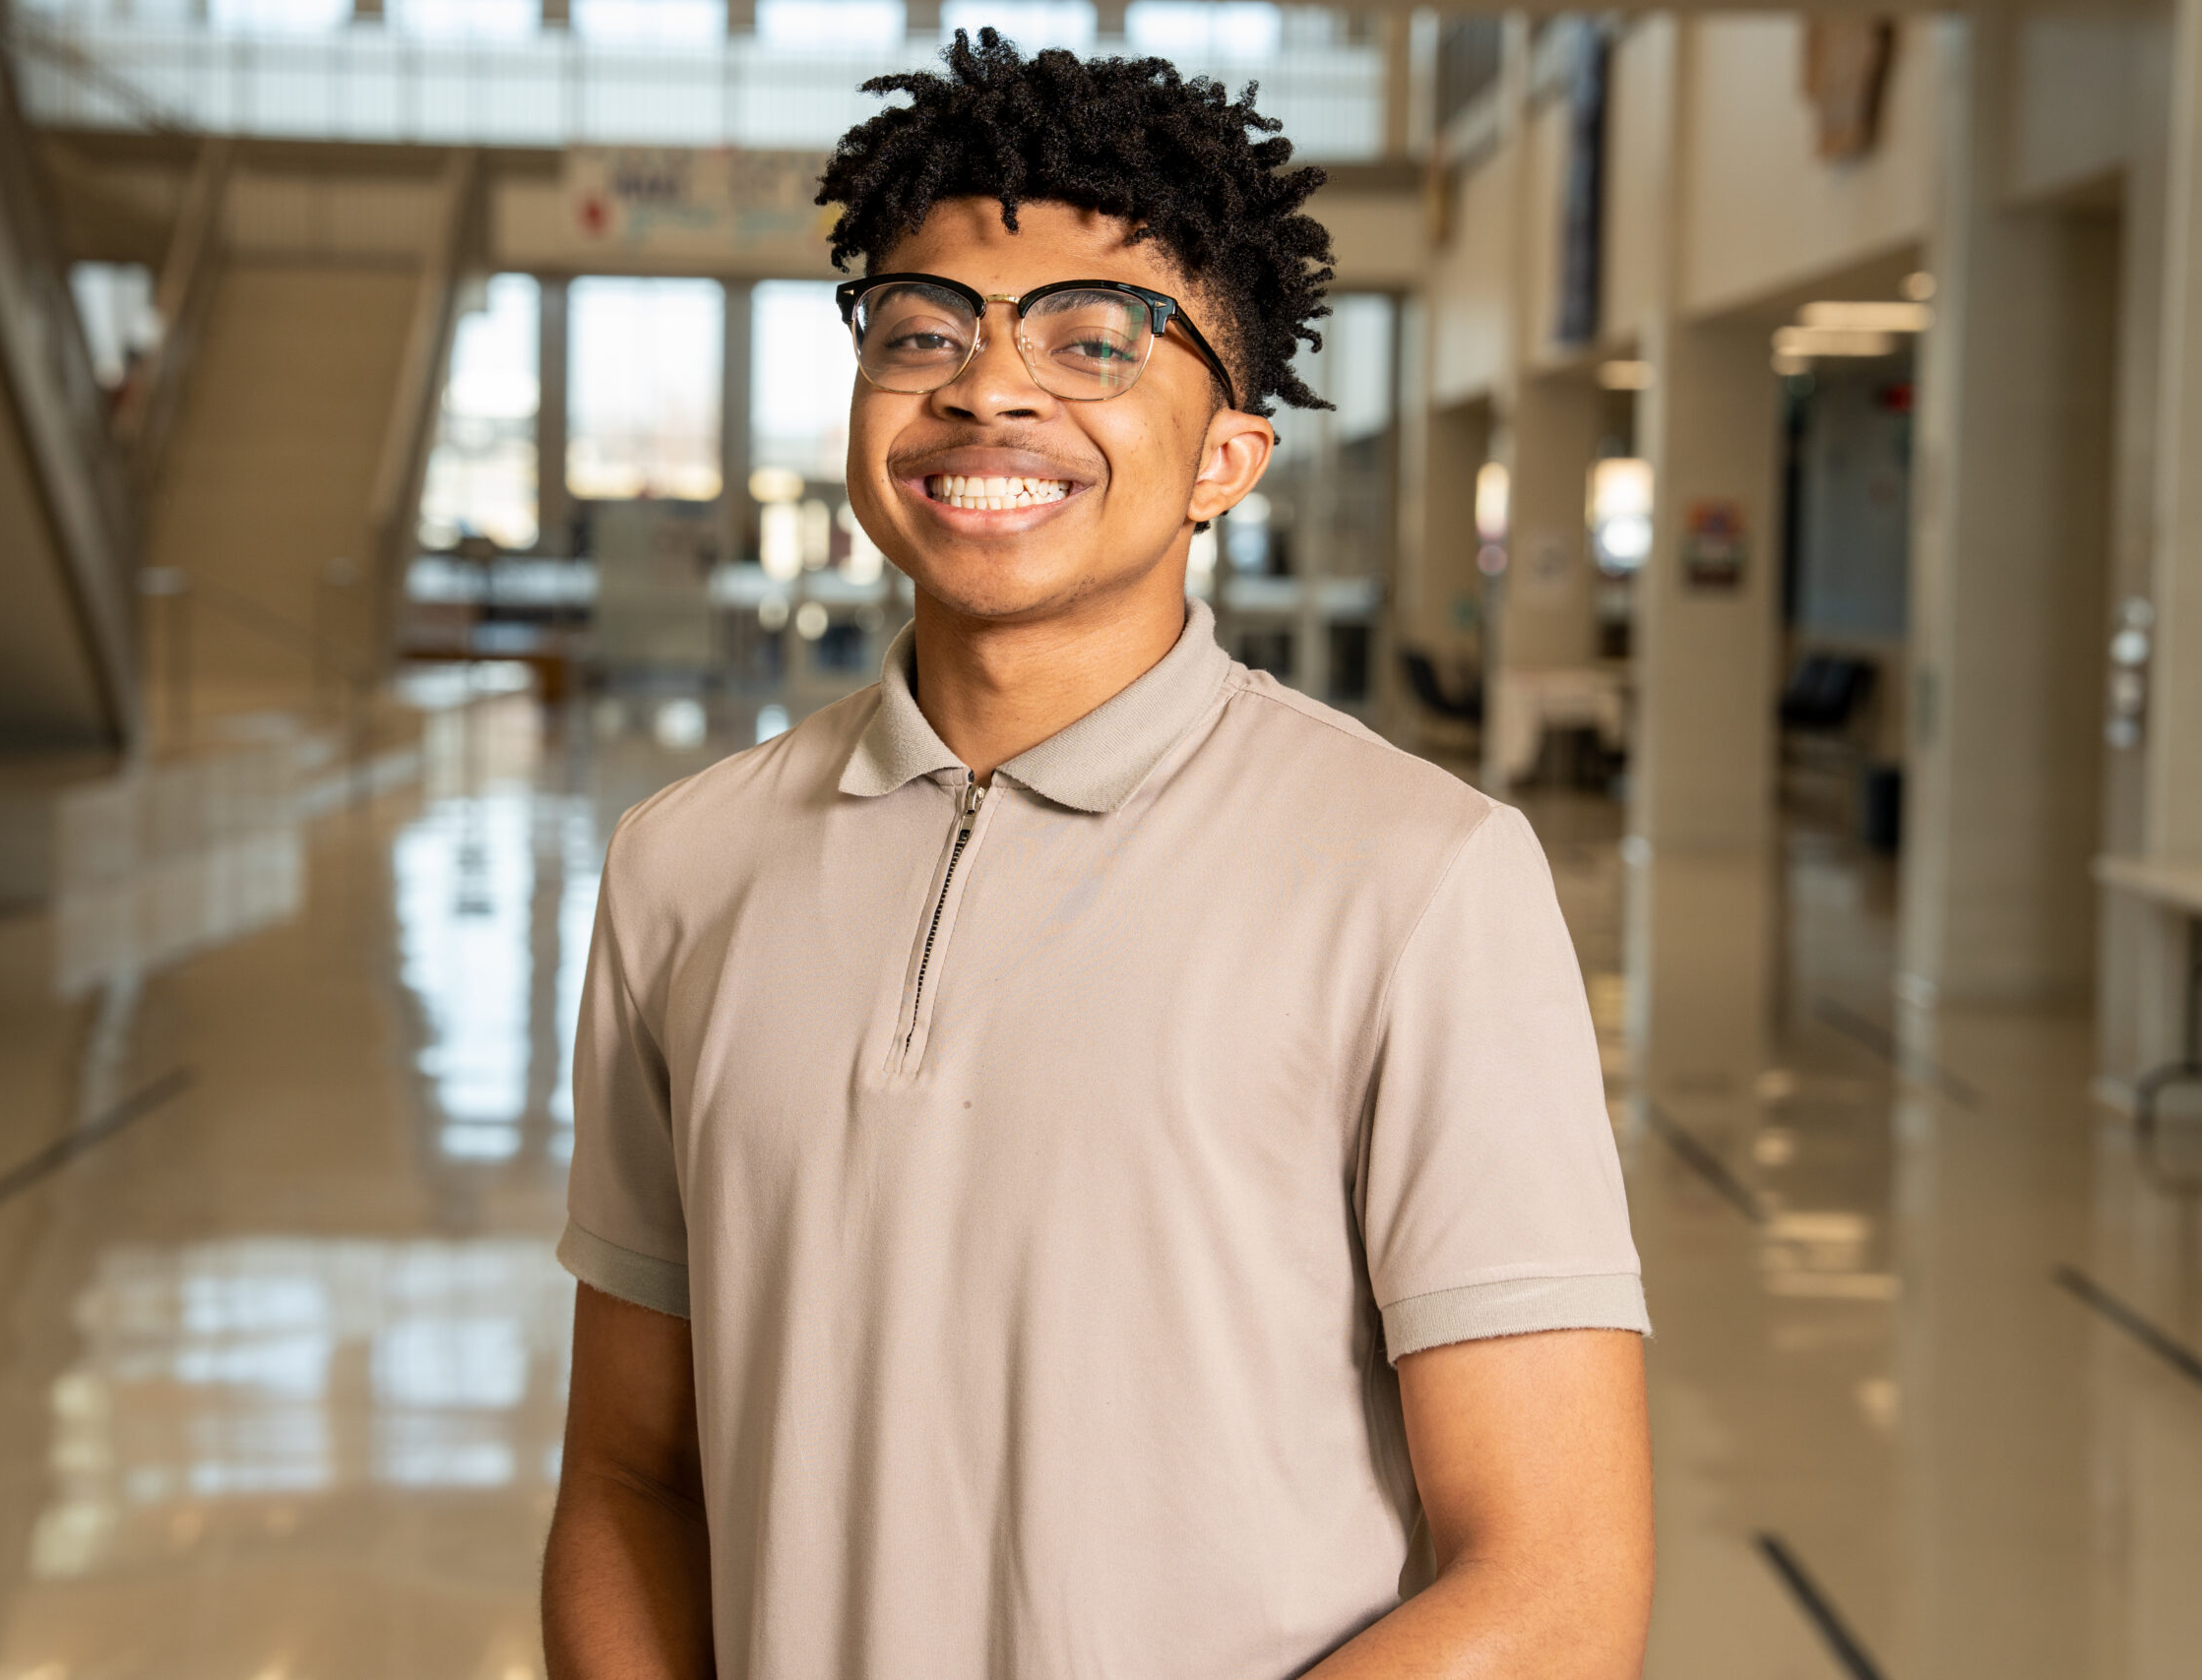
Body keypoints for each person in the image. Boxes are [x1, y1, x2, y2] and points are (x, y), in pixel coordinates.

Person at [542, 31, 1652, 1679]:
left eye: (1097, 338)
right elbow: (635, 1477)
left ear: (1227, 456)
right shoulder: (682, 868)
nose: (989, 388)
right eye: (925, 329)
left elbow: (1554, 1580)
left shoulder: (1419, 878)